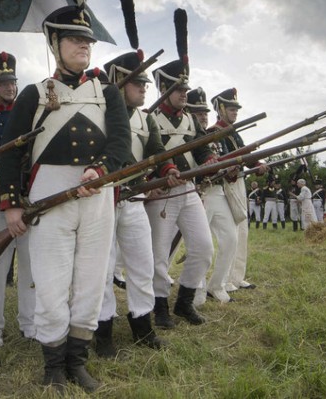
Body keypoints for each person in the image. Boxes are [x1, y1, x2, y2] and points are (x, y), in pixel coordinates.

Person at [0, 5, 131, 392]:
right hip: (48, 192)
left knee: (91, 280)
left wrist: (101, 168)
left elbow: (121, 140)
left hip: (97, 192)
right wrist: (12, 203)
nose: (83, 46)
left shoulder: (107, 92)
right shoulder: (34, 94)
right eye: (74, 39)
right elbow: (10, 152)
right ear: (55, 44)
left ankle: (77, 360)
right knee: (52, 283)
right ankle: (53, 364)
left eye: (87, 40)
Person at [94, 52, 178, 358]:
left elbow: (157, 150)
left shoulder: (146, 118)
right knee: (102, 269)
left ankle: (143, 327)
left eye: (145, 82)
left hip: (133, 200)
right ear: (119, 82)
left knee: (142, 264)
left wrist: (167, 171)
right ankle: (102, 332)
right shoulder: (98, 111)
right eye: (138, 82)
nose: (144, 88)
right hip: (103, 198)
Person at [147, 47, 216, 327]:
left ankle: (184, 303)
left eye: (185, 89)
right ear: (163, 88)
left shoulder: (189, 118)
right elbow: (147, 155)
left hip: (188, 191)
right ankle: (160, 306)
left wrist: (210, 159)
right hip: (162, 193)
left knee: (203, 247)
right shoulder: (149, 118)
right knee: (159, 255)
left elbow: (200, 150)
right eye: (178, 89)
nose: (184, 94)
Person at [0, 51, 35, 347]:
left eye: (11, 82)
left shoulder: (27, 113)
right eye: (2, 83)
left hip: (26, 197)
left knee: (29, 263)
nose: (10, 87)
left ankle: (29, 322)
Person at [210, 88, 267, 292]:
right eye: (231, 109)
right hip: (227, 183)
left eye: (236, 109)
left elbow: (245, 153)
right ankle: (224, 280)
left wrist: (257, 164)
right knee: (232, 231)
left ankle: (236, 277)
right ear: (221, 109)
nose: (235, 112)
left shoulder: (233, 132)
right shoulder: (216, 132)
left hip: (239, 180)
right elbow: (224, 159)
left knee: (241, 230)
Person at [190, 86, 237, 304]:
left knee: (230, 238)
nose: (203, 117)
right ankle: (196, 288)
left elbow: (226, 160)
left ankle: (216, 285)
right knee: (200, 246)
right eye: (198, 113)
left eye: (205, 113)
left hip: (216, 191)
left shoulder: (212, 136)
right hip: (196, 193)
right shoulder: (187, 136)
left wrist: (232, 169)